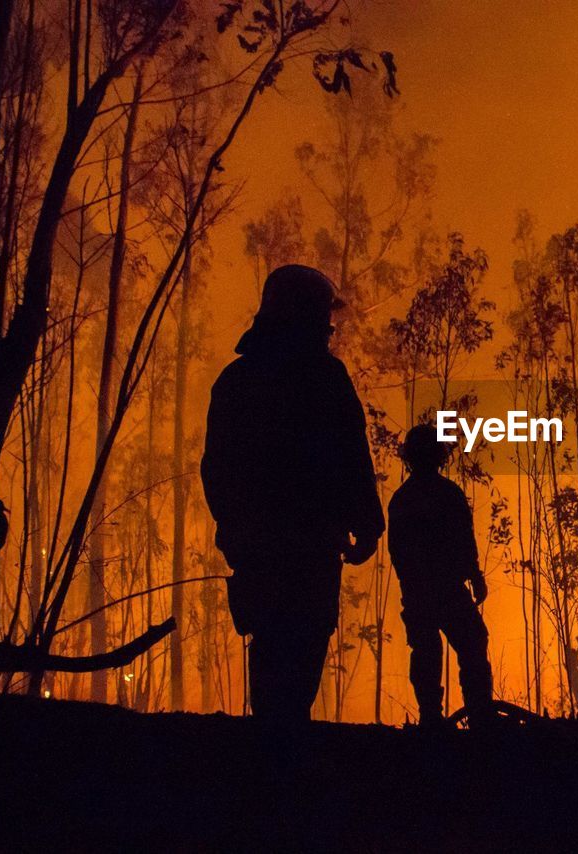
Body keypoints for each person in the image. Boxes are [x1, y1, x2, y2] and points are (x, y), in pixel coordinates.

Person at [201, 264, 383, 723]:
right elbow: (351, 454)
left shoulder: (236, 382)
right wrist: (366, 523)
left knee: (271, 643)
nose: (329, 326)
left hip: (263, 546)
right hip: (310, 545)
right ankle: (286, 758)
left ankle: (270, 757)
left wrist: (235, 529)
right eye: (323, 315)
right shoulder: (325, 379)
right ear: (303, 315)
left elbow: (216, 470)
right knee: (302, 644)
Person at [388, 424, 494, 728]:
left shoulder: (403, 499)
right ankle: (480, 715)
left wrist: (413, 585)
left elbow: (399, 553)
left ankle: (433, 717)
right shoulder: (448, 494)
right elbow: (464, 540)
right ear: (439, 456)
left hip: (422, 590)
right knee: (470, 642)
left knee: (428, 649)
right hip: (446, 589)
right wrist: (473, 575)